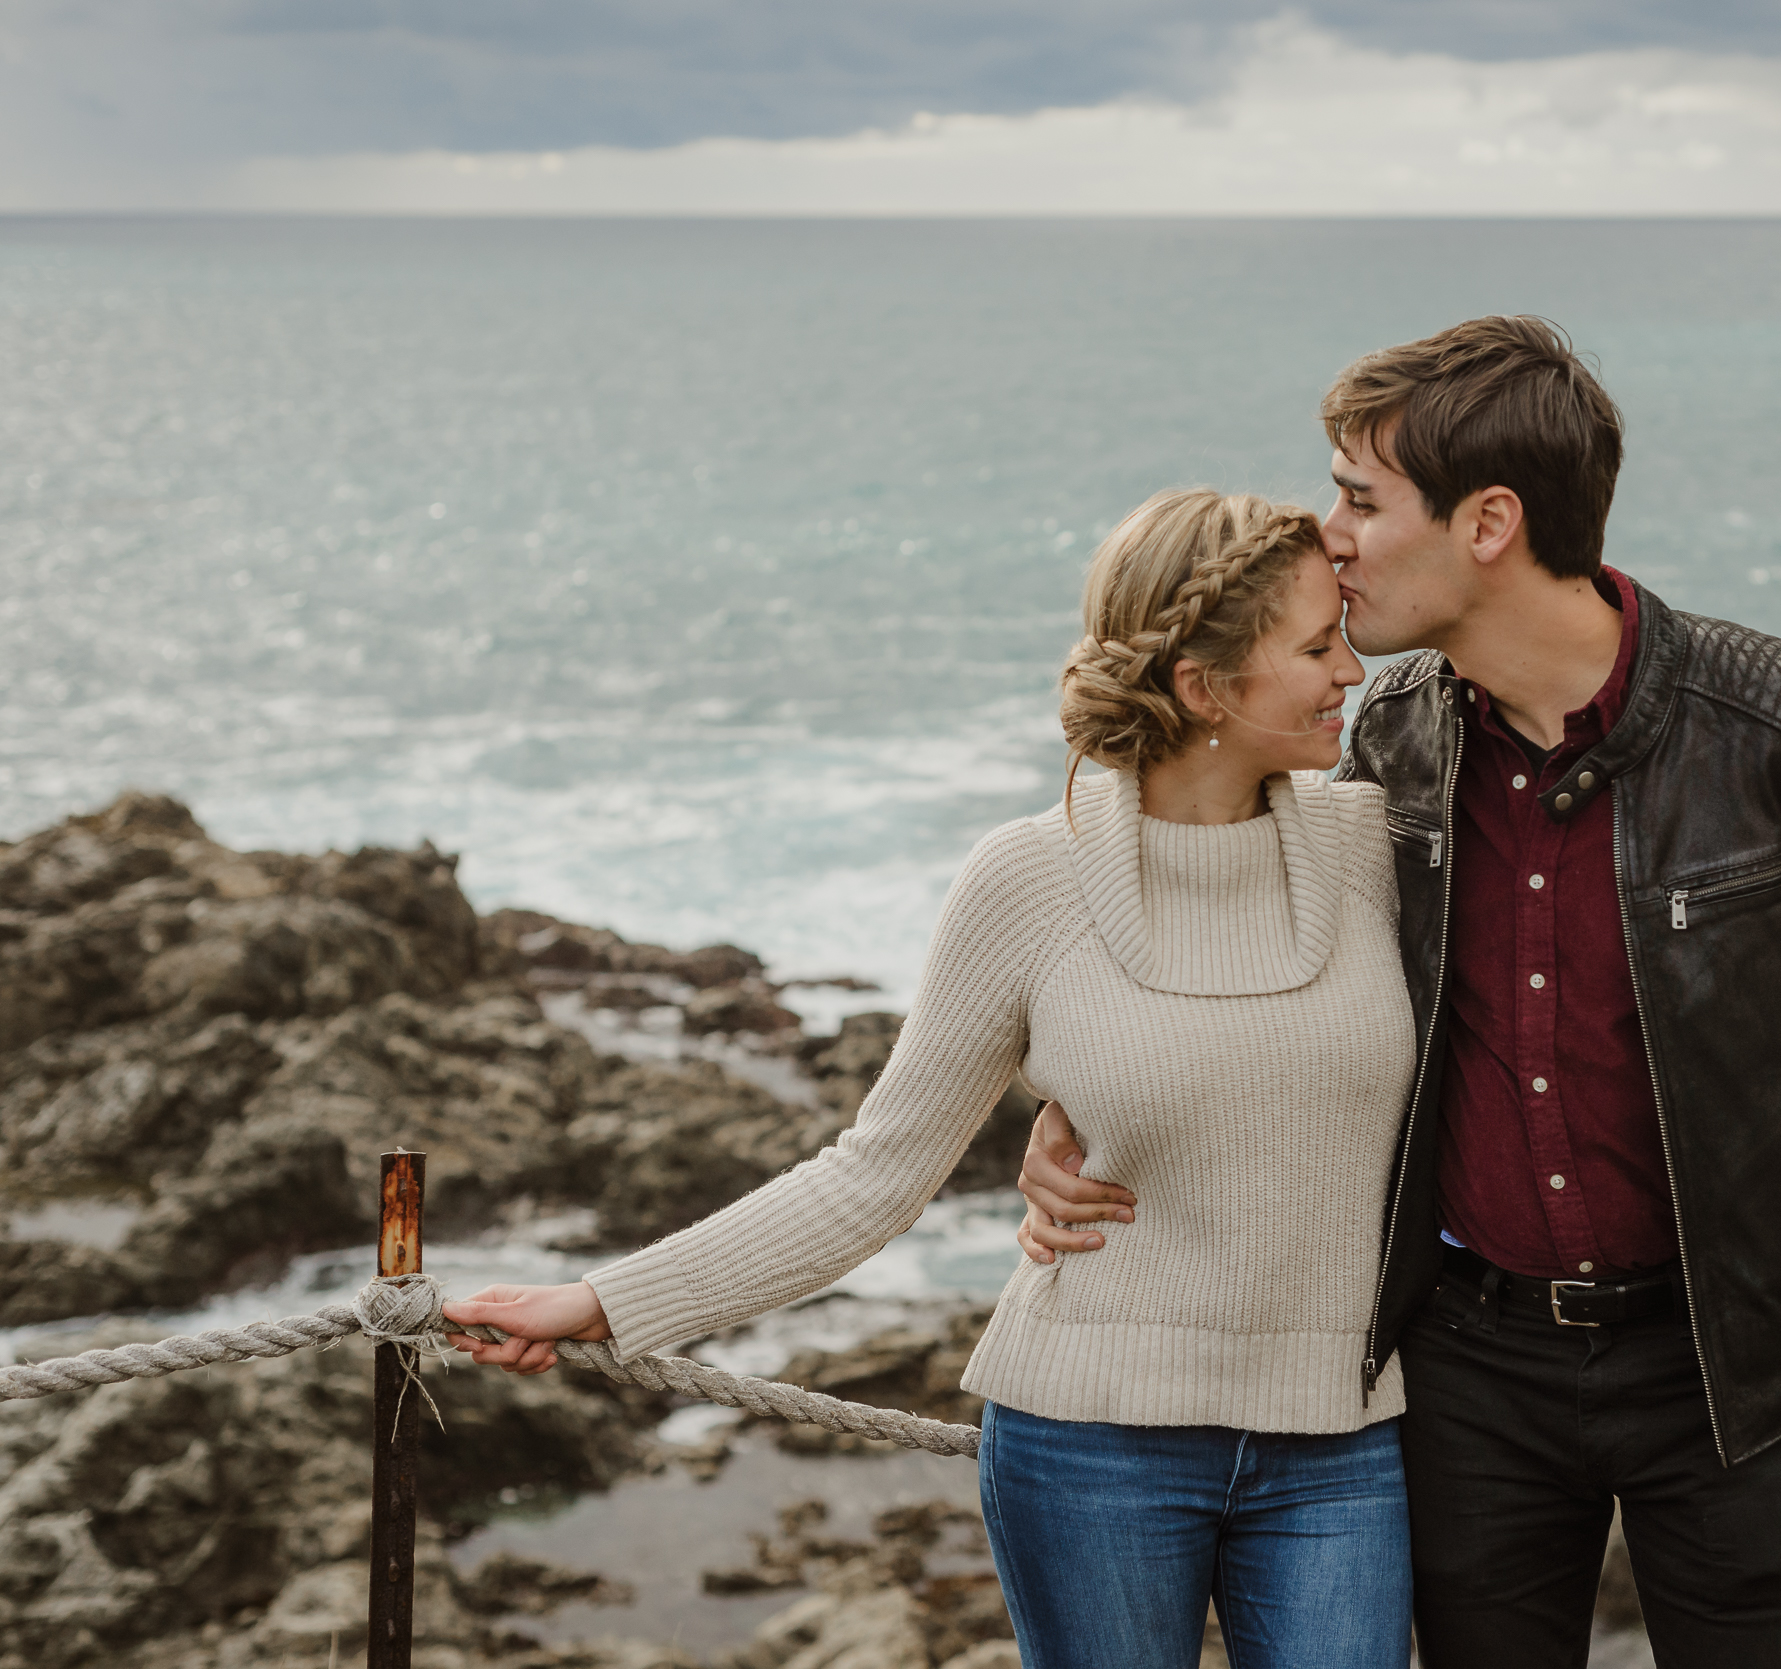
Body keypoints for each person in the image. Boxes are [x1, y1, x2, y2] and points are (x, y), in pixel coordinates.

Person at [1014, 316, 1781, 1667]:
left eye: (1361, 497)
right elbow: (1267, 963)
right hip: (1468, 1372)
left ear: (1488, 523)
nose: (1332, 534)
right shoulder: (1395, 742)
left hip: (1732, 1362)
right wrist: (1083, 1113)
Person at [442, 488, 1421, 1669]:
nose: (1354, 671)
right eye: (1316, 646)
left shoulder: (1380, 843)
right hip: (1089, 1442)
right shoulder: (1026, 880)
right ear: (1205, 688)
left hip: (1342, 1442)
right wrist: (604, 1302)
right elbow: (873, 1175)